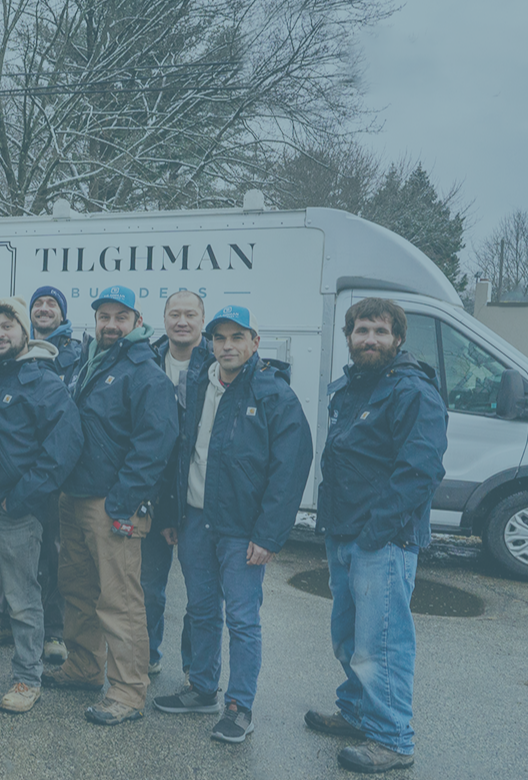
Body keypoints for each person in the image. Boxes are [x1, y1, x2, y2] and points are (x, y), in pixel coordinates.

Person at [151, 306, 312, 745]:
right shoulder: (199, 385)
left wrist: (268, 534)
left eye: (237, 337)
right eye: (220, 338)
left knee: (242, 619)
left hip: (242, 528)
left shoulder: (273, 394)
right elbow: (181, 453)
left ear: (255, 342)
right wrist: (172, 515)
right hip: (195, 519)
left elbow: (290, 468)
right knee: (201, 609)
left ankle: (239, 707)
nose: (227, 346)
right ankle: (203, 688)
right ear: (210, 343)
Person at [306, 298, 447, 774]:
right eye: (362, 330)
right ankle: (356, 712)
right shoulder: (354, 387)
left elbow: (421, 470)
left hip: (383, 540)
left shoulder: (412, 390)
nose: (369, 339)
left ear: (398, 339)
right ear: (349, 336)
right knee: (348, 637)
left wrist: (375, 533)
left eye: (380, 331)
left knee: (380, 644)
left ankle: (392, 739)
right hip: (345, 532)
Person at [43, 285, 177, 728]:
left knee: (119, 601)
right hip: (76, 495)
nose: (112, 325)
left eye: (121, 317)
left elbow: (155, 444)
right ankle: (84, 666)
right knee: (78, 590)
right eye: (105, 317)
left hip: (112, 503)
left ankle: (127, 690)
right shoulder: (93, 361)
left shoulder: (144, 372)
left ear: (137, 322)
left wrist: (124, 502)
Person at [0, 297, 82, 716]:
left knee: (22, 599)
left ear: (24, 331)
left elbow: (64, 449)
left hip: (14, 512)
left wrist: (22, 498)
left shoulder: (45, 383)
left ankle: (28, 678)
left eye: (7, 326)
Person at [144, 289, 210, 678]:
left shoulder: (217, 365)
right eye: (174, 314)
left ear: (202, 320)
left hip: (198, 498)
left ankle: (194, 671)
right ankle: (147, 656)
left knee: (200, 595)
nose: (181, 321)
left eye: (190, 314)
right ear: (164, 319)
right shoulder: (147, 361)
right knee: (148, 587)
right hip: (154, 495)